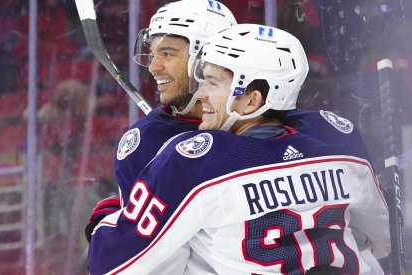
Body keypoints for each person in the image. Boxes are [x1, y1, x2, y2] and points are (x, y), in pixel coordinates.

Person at [87, 24, 390, 274]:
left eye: (212, 83)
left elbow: (114, 264)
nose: (201, 94)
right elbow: (380, 238)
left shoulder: (195, 162)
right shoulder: (337, 139)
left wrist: (115, 213)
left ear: (252, 101)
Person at [85, 0, 237, 239]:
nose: (153, 67)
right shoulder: (146, 142)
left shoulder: (252, 121)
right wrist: (111, 220)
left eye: (167, 53)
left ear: (208, 59)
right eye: (153, 54)